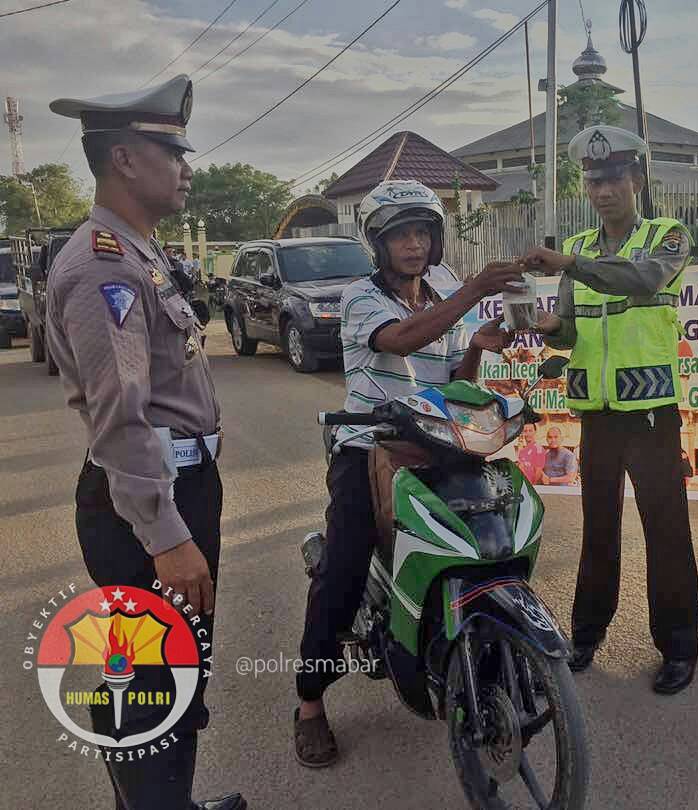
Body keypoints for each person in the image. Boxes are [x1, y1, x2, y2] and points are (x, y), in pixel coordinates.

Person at [44, 76, 245, 809]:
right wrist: (166, 535)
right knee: (156, 681)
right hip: (148, 502)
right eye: (173, 151)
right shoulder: (105, 264)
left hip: (174, 487)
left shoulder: (139, 253)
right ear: (125, 158)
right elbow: (120, 417)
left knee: (172, 673)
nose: (187, 166)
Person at [294, 180, 522, 767]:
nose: (414, 245)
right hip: (369, 446)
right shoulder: (359, 297)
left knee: (482, 536)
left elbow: (449, 373)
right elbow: (400, 340)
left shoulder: (444, 289)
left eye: (422, 232)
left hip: (438, 441)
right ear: (378, 243)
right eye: (401, 235)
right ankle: (310, 703)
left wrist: (477, 344)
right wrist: (473, 293)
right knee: (342, 571)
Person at [527, 124, 698, 695]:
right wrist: (549, 329)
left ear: (636, 180)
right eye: (593, 180)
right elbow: (570, 333)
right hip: (596, 413)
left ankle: (678, 646)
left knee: (666, 530)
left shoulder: (667, 236)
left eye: (614, 179)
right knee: (598, 528)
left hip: (651, 411)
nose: (603, 190)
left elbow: (644, 278)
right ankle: (586, 631)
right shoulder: (576, 249)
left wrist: (566, 268)